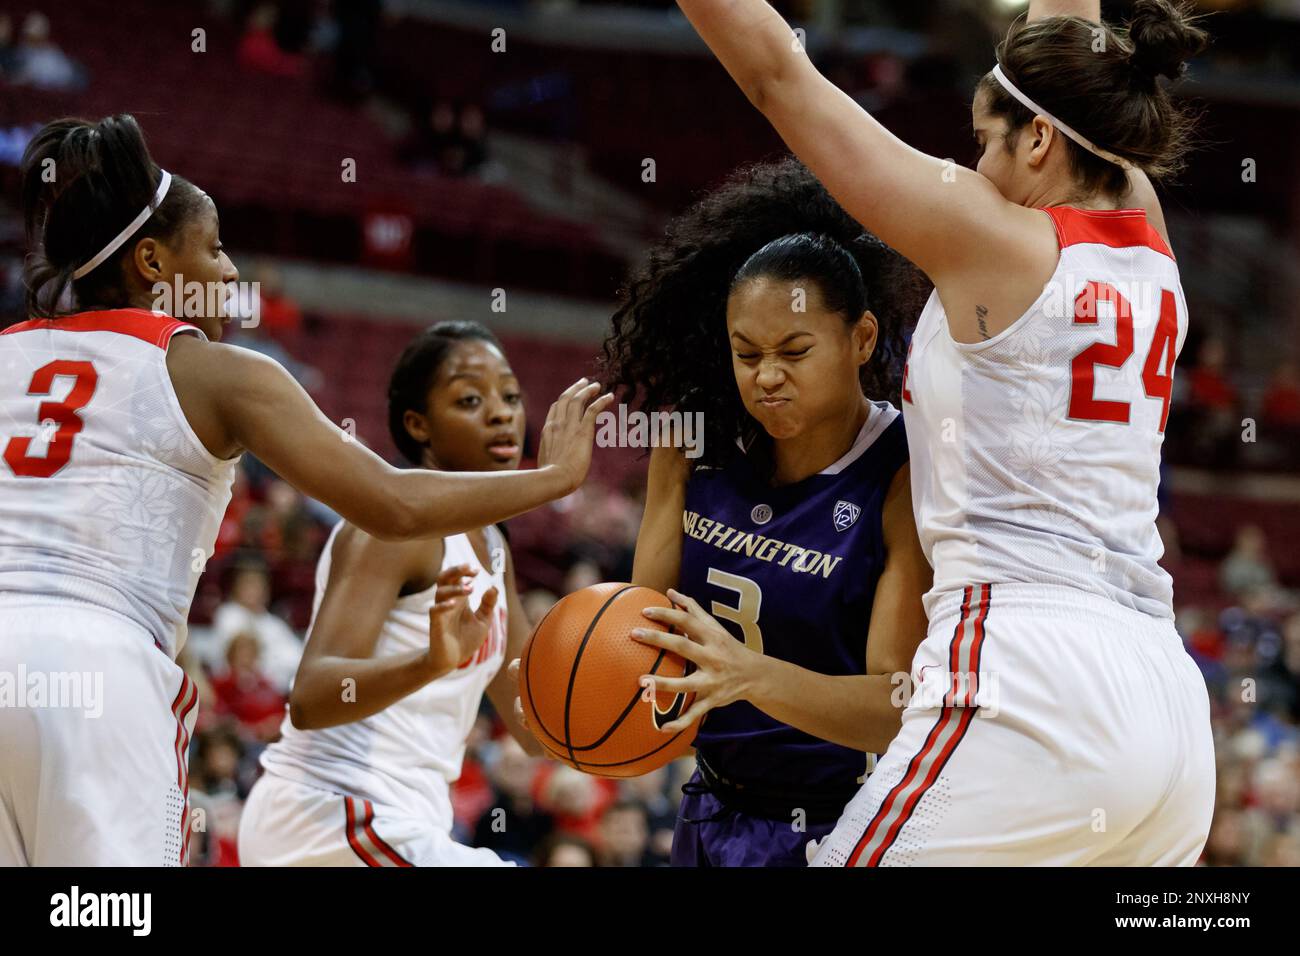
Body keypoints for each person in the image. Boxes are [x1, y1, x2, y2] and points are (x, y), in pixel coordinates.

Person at [674, 0, 1215, 864]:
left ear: (1037, 141)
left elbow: (779, 75)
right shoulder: (1145, 231)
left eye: (984, 140)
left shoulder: (990, 238)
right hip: (1169, 709)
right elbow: (1069, 56)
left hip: (1028, 672)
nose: (976, 164)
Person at [0, 114, 611, 866]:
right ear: (155, 263)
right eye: (216, 247)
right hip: (105, 665)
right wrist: (552, 478)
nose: (231, 275)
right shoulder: (219, 371)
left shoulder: (8, 352)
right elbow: (387, 500)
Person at [585, 157, 932, 866]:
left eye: (794, 351)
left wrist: (750, 676)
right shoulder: (692, 443)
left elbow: (897, 708)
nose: (767, 376)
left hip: (840, 826)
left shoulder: (904, 469)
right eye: (747, 354)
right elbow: (644, 627)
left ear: (862, 339)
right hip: (707, 803)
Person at [239, 321, 555, 866]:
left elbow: (536, 729)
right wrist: (429, 662)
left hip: (402, 827)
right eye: (471, 399)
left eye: (509, 396)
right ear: (419, 425)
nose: (501, 413)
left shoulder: (493, 544)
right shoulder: (391, 529)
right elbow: (313, 698)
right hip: (332, 814)